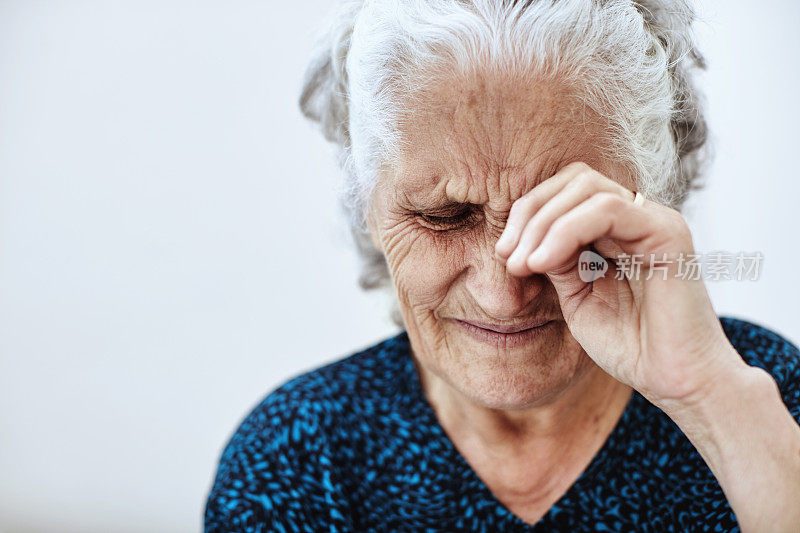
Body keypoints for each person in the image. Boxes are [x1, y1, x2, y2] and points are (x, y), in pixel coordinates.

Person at [205, 0, 800, 530]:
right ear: (369, 208)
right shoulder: (298, 455)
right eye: (444, 217)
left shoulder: (769, 403)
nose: (503, 295)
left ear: (654, 198)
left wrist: (708, 398)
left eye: (566, 220)